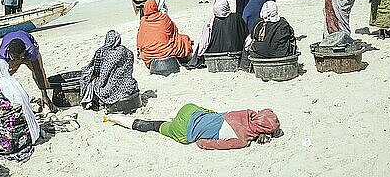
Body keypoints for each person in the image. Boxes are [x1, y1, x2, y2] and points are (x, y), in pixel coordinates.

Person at [104, 103, 282, 150]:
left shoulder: (246, 112)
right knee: (155, 126)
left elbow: (216, 113)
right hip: (184, 132)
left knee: (210, 114)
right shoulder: (242, 140)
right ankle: (112, 117)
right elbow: (204, 144)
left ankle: (173, 116)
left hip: (190, 110)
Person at [0, 30, 56, 112]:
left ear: (25, 51)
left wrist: (44, 95)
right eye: (16, 58)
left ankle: (47, 95)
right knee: (3, 76)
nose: (19, 60)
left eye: (20, 58)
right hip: (11, 56)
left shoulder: (31, 50)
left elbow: (37, 71)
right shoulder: (2, 56)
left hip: (28, 46)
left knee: (40, 73)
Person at [80, 30, 139, 109]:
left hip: (110, 87)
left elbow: (100, 73)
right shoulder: (129, 52)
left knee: (88, 81)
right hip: (127, 83)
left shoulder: (104, 52)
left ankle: (90, 102)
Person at [188, 0, 247, 67]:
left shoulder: (211, 22)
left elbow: (205, 41)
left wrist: (199, 55)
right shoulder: (236, 17)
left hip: (214, 52)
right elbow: (244, 35)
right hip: (235, 51)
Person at [136, 0, 192, 68]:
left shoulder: (143, 21)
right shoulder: (164, 17)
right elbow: (174, 32)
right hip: (167, 51)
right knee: (184, 39)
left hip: (150, 54)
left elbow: (140, 41)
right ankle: (184, 59)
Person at [242, 1, 296, 66]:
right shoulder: (283, 23)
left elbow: (253, 37)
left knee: (248, 41)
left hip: (260, 54)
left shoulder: (258, 23)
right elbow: (291, 37)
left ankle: (245, 66)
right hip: (282, 53)